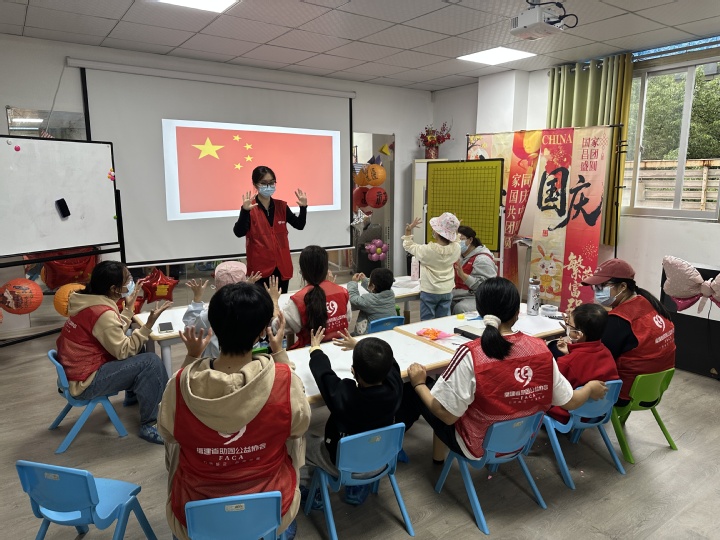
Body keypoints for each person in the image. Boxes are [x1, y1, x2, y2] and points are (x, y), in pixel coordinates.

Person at [157, 283, 311, 540]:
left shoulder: (180, 384)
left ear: (214, 327)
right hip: (269, 510)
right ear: (262, 332)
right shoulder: (285, 381)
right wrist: (280, 355)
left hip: (196, 515)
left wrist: (191, 360)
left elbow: (167, 433)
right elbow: (299, 427)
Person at [396, 277, 608, 462]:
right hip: (522, 438)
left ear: (480, 311)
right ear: (517, 313)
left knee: (417, 390)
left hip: (478, 446)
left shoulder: (471, 353)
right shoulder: (541, 349)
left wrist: (419, 383)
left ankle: (401, 450)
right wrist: (589, 388)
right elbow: (569, 401)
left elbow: (447, 415)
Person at [55, 260, 171, 444]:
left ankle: (133, 395)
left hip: (75, 373)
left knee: (138, 343)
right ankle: (151, 424)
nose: (131, 282)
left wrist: (128, 309)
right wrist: (148, 325)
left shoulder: (84, 301)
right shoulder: (101, 313)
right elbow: (123, 350)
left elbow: (110, 333)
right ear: (114, 289)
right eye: (127, 279)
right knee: (150, 362)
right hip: (85, 383)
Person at [302, 327, 402, 506]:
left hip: (343, 466)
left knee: (299, 440)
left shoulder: (346, 397)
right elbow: (390, 364)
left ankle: (310, 491)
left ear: (354, 372)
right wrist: (362, 349)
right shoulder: (396, 389)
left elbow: (324, 375)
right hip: (382, 459)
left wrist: (316, 350)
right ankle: (359, 488)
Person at [581, 258, 676, 405]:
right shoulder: (648, 303)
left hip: (624, 395)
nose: (597, 292)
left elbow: (598, 359)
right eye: (595, 287)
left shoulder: (620, 320)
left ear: (623, 286)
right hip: (653, 391)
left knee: (568, 365)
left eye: (602, 286)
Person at [233, 165, 308, 293]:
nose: (268, 186)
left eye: (272, 182)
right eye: (264, 183)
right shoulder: (250, 208)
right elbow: (238, 232)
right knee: (261, 303)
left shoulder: (281, 206)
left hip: (282, 267)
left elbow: (299, 225)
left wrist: (303, 208)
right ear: (255, 184)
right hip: (259, 270)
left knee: (280, 301)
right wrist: (244, 211)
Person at [182, 261, 275, 358]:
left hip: (218, 362)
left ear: (217, 289)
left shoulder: (212, 312)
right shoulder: (254, 308)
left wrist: (197, 298)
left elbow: (191, 327)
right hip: (250, 360)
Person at [546, 303, 619, 422]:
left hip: (567, 415)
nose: (567, 326)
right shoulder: (607, 352)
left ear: (578, 334)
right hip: (599, 412)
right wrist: (571, 353)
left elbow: (552, 392)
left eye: (569, 324)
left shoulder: (567, 362)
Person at [281, 245, 351, 349]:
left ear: (302, 272)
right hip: (341, 348)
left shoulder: (298, 300)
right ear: (326, 269)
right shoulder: (342, 292)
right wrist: (331, 286)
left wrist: (274, 301)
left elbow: (277, 328)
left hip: (309, 352)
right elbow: (348, 320)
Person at [402, 213, 461, 320]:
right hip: (447, 290)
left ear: (437, 232)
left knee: (427, 321)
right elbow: (457, 240)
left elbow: (408, 245)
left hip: (430, 290)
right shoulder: (456, 248)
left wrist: (408, 230)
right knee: (443, 320)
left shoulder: (428, 250)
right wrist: (454, 228)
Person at [452, 225, 498, 315]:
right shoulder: (458, 255)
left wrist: (463, 275)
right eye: (455, 241)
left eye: (461, 239)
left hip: (478, 297)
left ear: (470, 240)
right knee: (442, 302)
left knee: (460, 308)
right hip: (459, 294)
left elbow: (487, 288)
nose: (458, 243)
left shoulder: (482, 259)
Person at [347, 268, 397, 336]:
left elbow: (353, 298)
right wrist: (364, 280)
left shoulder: (368, 300)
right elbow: (377, 289)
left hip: (368, 336)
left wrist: (353, 282)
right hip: (387, 332)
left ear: (373, 286)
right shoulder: (391, 294)